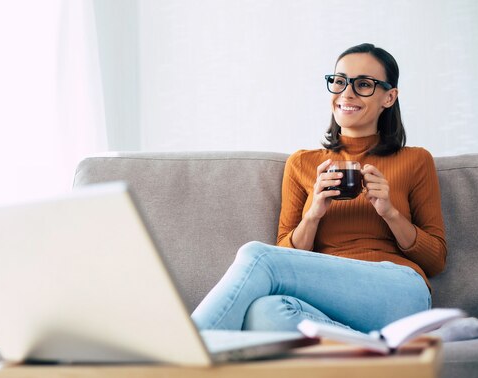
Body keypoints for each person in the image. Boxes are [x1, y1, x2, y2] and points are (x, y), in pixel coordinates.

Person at [191, 43, 447, 334]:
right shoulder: (302, 163)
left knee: (257, 256)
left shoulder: (415, 160)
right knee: (266, 314)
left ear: (389, 97)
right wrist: (313, 215)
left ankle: (182, 358)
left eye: (363, 84)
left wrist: (390, 213)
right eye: (339, 81)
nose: (346, 93)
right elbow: (286, 254)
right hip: (327, 301)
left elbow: (436, 260)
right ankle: (374, 343)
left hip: (398, 291)